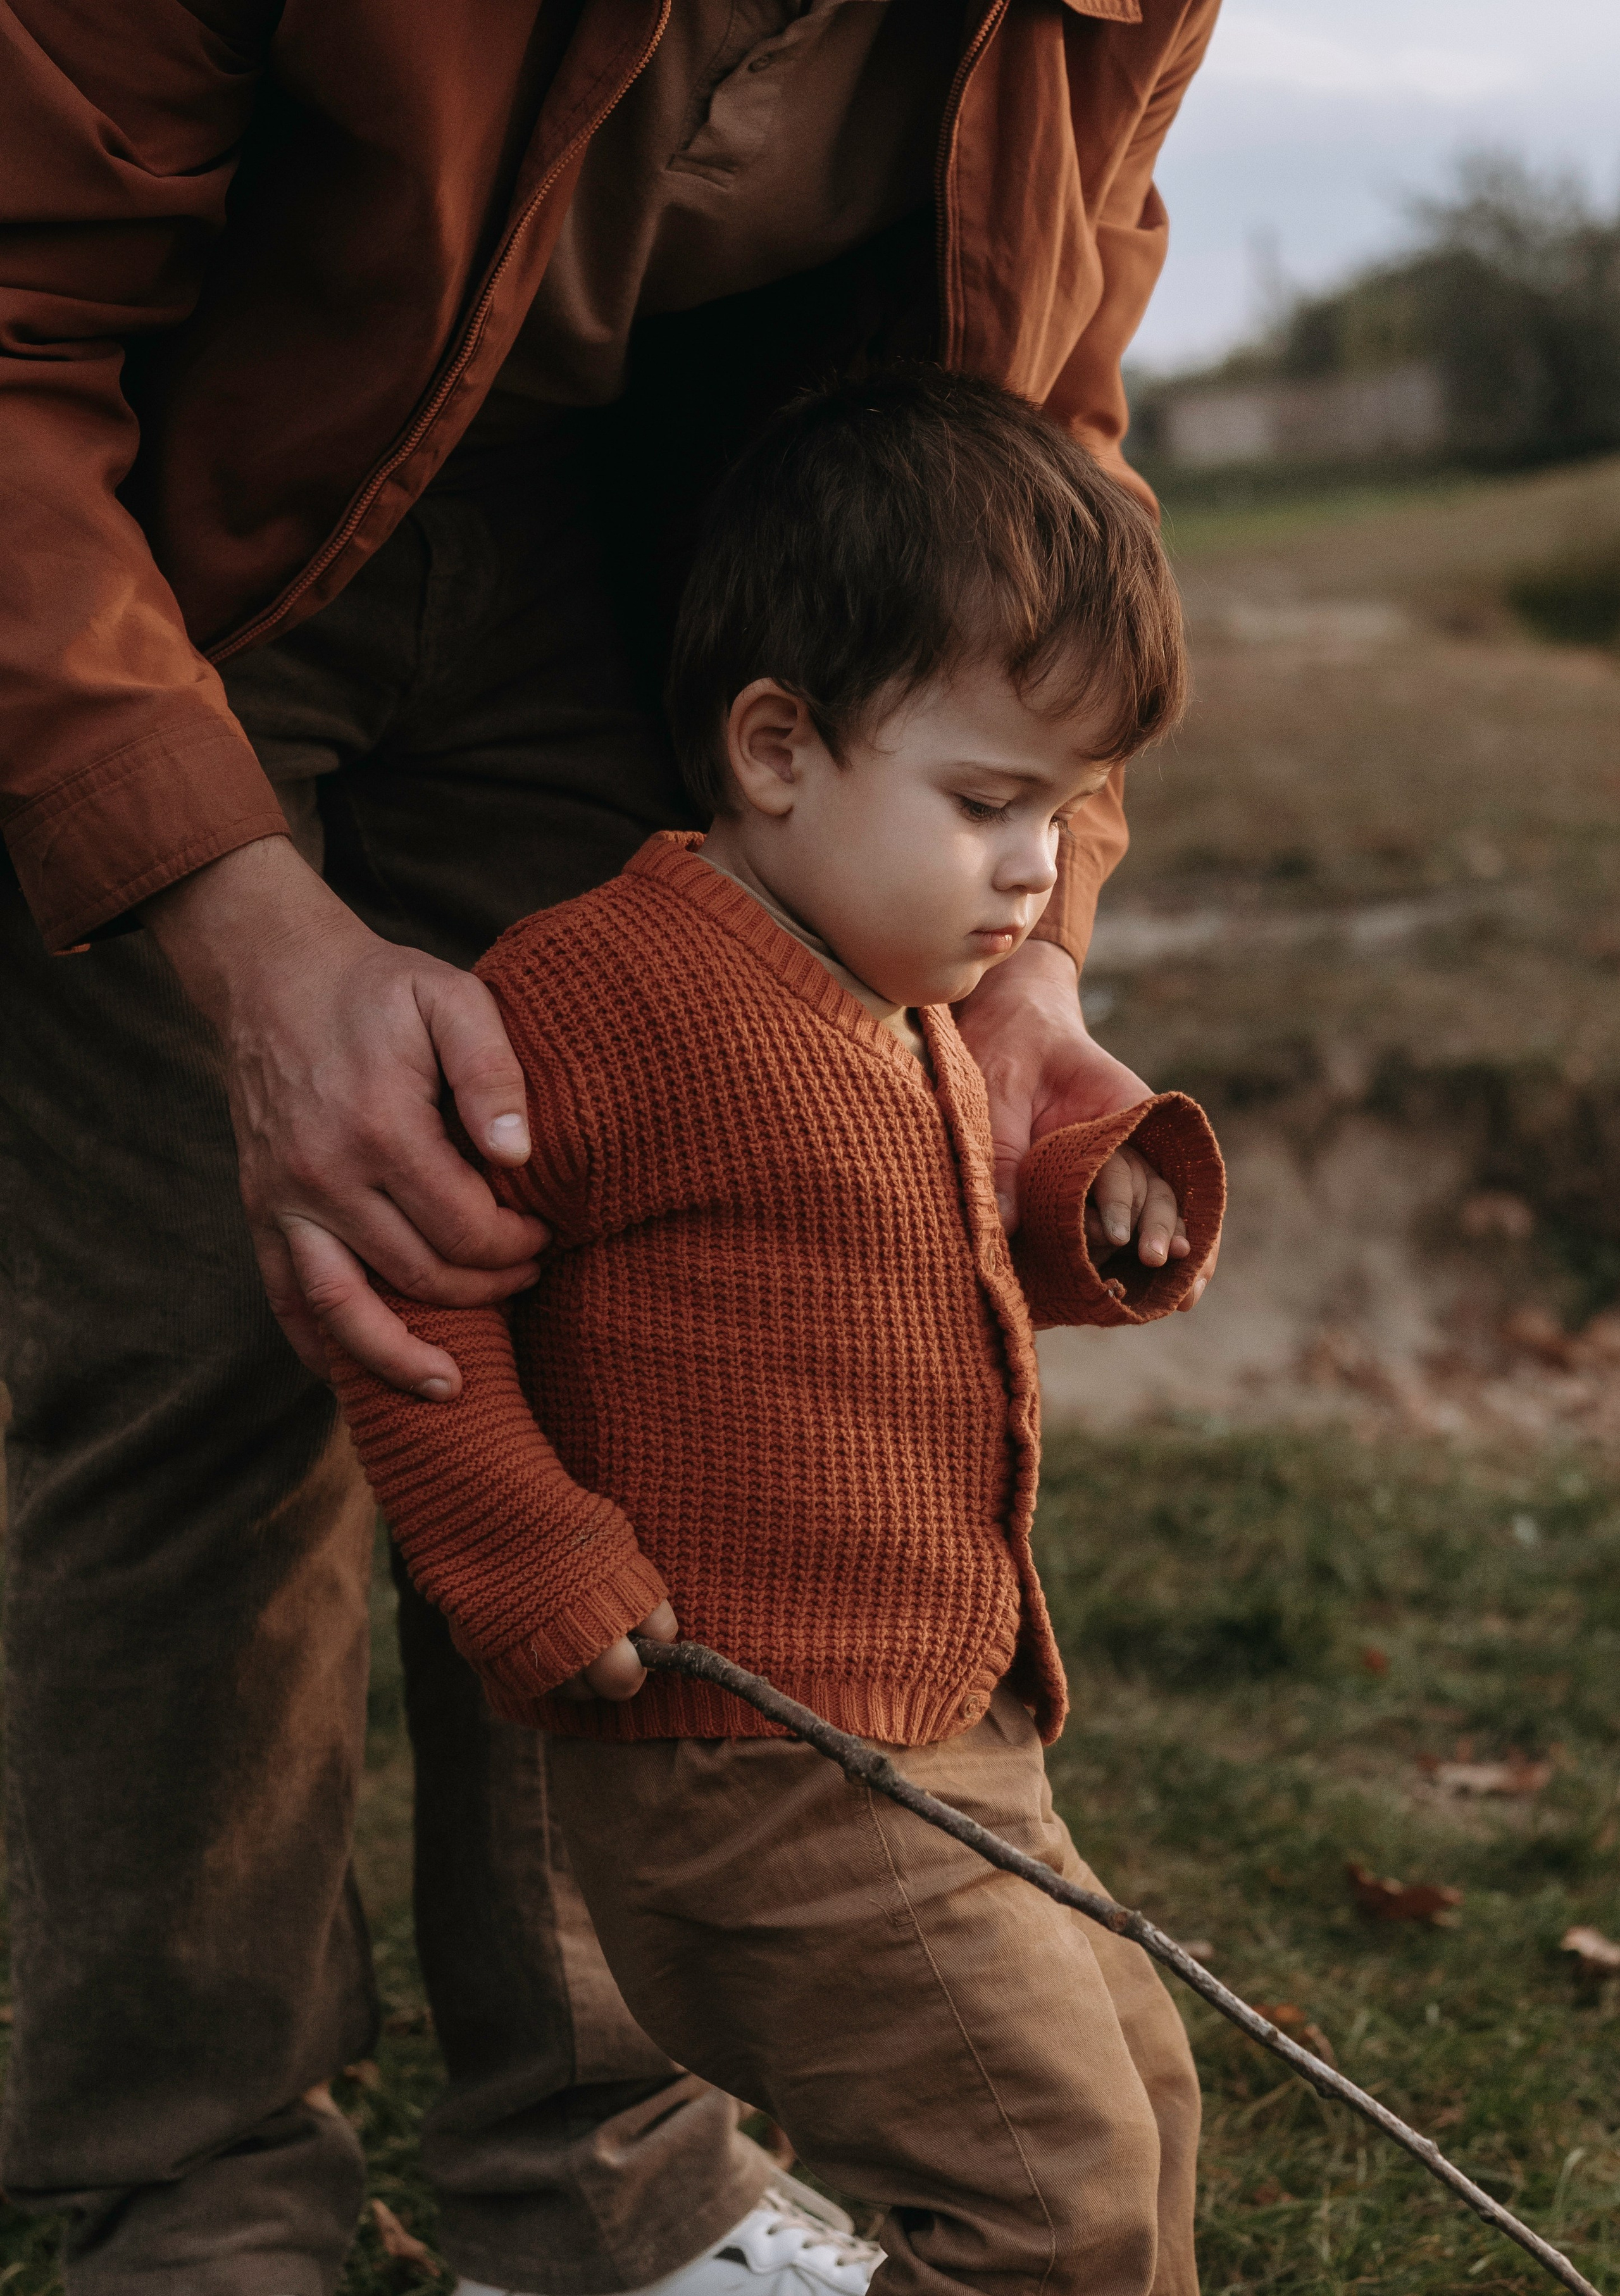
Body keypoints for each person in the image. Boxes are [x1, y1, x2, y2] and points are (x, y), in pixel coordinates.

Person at [0, 5, 1220, 2292]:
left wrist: (1039, 937)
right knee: (192, 1351)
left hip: (666, 572)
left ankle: (600, 2186)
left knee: (628, 1307)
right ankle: (195, 2201)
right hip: (140, 546)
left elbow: (1050, 383)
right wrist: (238, 926)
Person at [333, 371, 1227, 2296]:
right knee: (1046, 2205)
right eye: (990, 803)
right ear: (774, 746)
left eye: (1061, 814)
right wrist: (520, 1544)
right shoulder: (612, 990)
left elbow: (887, 1261)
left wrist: (1085, 1201)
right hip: (754, 1765)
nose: (1030, 869)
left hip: (947, 1729)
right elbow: (412, 1279)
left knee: (1143, 2107)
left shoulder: (882, 979)